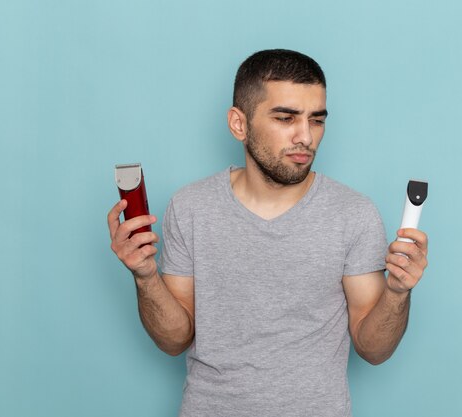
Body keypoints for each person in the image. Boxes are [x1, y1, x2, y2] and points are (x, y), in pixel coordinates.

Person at [108, 49, 428, 417]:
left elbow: (374, 349)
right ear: (238, 124)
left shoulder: (353, 214)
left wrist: (398, 292)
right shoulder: (191, 207)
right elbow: (174, 340)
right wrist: (145, 277)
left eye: (316, 120)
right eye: (286, 118)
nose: (305, 137)